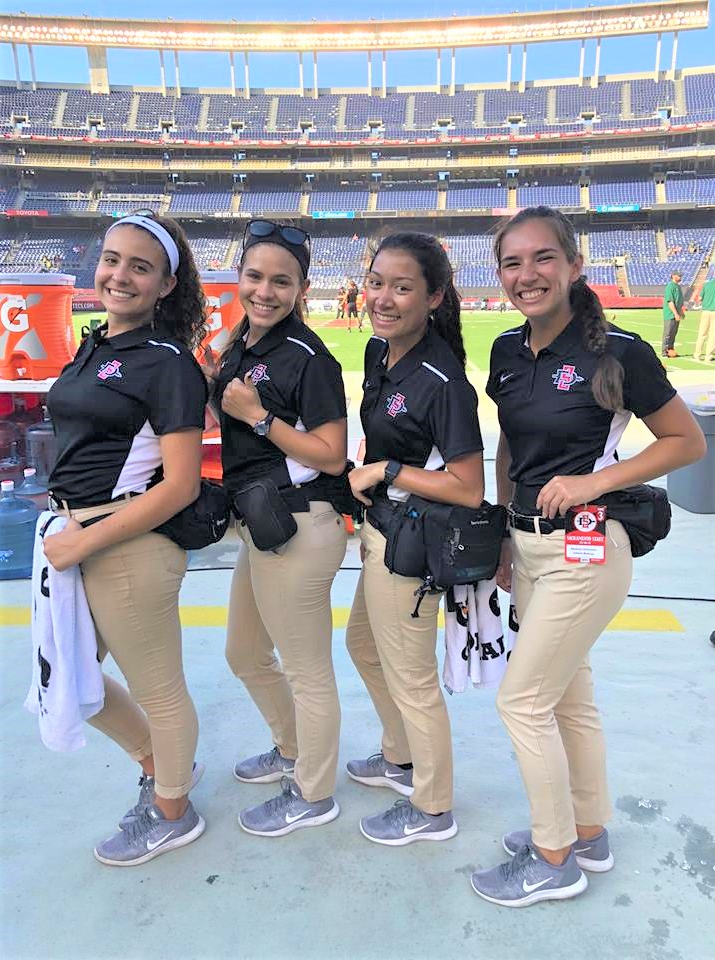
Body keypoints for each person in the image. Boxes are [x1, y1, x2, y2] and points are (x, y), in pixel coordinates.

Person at [469, 206, 705, 907]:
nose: (526, 274)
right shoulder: (509, 352)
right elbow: (510, 444)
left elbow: (685, 442)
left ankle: (552, 858)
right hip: (531, 548)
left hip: (589, 547)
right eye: (512, 263)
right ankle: (588, 831)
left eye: (543, 258)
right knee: (570, 699)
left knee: (522, 701)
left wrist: (594, 481)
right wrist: (506, 531)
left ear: (574, 266)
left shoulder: (619, 351)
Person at [42, 213, 210, 866]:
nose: (120, 275)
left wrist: (86, 541)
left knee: (159, 687)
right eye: (112, 259)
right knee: (71, 680)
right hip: (75, 538)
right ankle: (162, 766)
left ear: (166, 284)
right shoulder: (96, 344)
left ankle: (173, 809)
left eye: (141, 266)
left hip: (130, 545)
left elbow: (181, 486)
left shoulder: (168, 365)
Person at [346, 232, 485, 846]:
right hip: (380, 535)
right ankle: (400, 759)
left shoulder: (441, 378)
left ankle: (432, 806)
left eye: (402, 288)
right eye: (377, 282)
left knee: (412, 679)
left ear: (434, 297)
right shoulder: (384, 354)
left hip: (412, 546)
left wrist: (388, 471)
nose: (383, 297)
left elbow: (470, 487)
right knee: (362, 646)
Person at [212, 219, 349, 837]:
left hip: (302, 523)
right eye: (254, 277)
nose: (265, 291)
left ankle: (313, 791)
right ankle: (291, 747)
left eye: (281, 282)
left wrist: (259, 416)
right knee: (243, 651)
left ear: (302, 288)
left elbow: (331, 453)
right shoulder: (241, 343)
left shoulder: (309, 357)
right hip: (259, 525)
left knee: (307, 668)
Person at [662, 271, 685, 358]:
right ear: (673, 276)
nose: (680, 277)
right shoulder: (670, 286)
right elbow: (670, 301)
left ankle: (670, 350)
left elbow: (679, 301)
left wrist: (681, 312)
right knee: (668, 333)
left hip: (677, 314)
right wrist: (675, 313)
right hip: (670, 314)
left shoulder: (678, 287)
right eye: (679, 276)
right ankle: (664, 352)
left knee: (673, 333)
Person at [694, 275, 715, 363]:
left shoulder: (707, 285)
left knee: (702, 334)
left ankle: (697, 354)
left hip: (705, 311)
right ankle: (708, 356)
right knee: (713, 335)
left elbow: (699, 298)